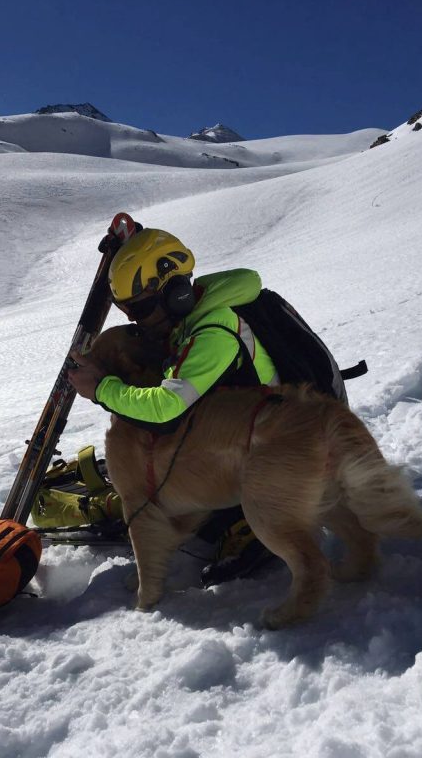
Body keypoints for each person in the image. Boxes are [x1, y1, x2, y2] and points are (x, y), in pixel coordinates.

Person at [67, 227, 280, 584]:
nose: (136, 318)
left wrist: (102, 389)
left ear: (176, 293)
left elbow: (167, 409)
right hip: (232, 438)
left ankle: (247, 522)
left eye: (143, 307)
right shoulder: (191, 316)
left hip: (266, 457)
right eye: (127, 309)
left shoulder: (214, 331)